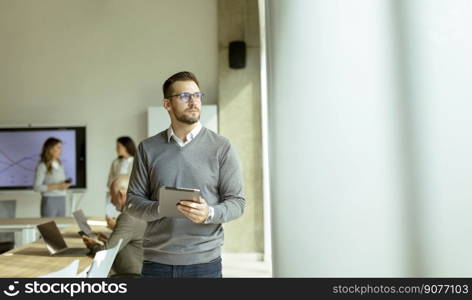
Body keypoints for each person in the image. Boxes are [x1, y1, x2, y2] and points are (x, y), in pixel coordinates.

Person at [126, 71, 246, 278]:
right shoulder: (147, 148)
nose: (193, 102)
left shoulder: (222, 147)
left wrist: (209, 213)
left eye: (197, 95)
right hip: (157, 264)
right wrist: (161, 207)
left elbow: (237, 202)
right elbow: (132, 203)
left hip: (205, 264)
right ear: (167, 104)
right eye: (184, 96)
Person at [82, 175, 146, 277]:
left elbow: (105, 254)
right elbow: (128, 243)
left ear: (121, 194)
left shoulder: (129, 216)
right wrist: (106, 240)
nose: (111, 201)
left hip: (129, 276)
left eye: (112, 196)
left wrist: (93, 246)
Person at [33, 137, 70, 217]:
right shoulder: (42, 166)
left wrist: (63, 186)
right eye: (58, 148)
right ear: (50, 149)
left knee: (61, 227)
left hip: (61, 198)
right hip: (49, 200)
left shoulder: (60, 165)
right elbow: (36, 187)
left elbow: (60, 184)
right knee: (50, 228)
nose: (61, 151)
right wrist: (57, 186)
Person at [106, 136, 136, 220]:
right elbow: (109, 181)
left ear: (126, 147)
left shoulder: (136, 162)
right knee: (112, 219)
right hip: (116, 197)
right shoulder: (115, 163)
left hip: (130, 197)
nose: (116, 149)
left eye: (118, 146)